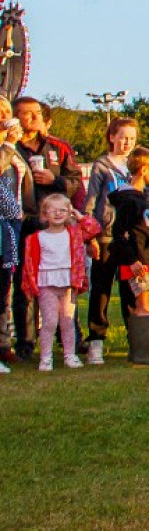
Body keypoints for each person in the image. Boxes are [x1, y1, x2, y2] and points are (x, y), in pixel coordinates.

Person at [11, 97, 84, 360]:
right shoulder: (10, 147)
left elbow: (76, 182)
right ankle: (25, 343)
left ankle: (69, 339)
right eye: (23, 114)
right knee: (25, 283)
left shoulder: (58, 147)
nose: (29, 119)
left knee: (64, 281)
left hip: (57, 227)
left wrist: (57, 180)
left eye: (34, 114)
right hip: (24, 223)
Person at [82, 116, 139, 364]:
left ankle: (135, 340)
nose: (127, 142)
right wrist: (90, 234)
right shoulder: (101, 166)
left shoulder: (136, 166)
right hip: (105, 235)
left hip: (129, 236)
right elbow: (91, 202)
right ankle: (96, 340)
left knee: (130, 290)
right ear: (112, 137)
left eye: (131, 138)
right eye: (123, 137)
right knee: (102, 289)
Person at [21, 194, 98, 372]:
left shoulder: (74, 234)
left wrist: (79, 216)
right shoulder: (35, 238)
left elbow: (93, 229)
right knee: (49, 321)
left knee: (67, 321)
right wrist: (29, 285)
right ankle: (46, 357)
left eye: (63, 210)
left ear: (69, 212)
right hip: (46, 283)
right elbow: (29, 265)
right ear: (44, 214)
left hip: (68, 282)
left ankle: (69, 355)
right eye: (53, 210)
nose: (58, 214)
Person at [109, 147, 149, 367]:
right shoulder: (129, 199)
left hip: (148, 259)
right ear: (143, 170)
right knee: (144, 303)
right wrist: (132, 259)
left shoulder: (141, 199)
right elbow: (120, 234)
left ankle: (139, 350)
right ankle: (144, 353)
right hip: (140, 262)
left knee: (147, 301)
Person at [0, 98, 25, 362]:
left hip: (11, 226)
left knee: (6, 285)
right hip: (5, 221)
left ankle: (4, 343)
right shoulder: (7, 148)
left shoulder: (13, 149)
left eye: (7, 113)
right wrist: (7, 145)